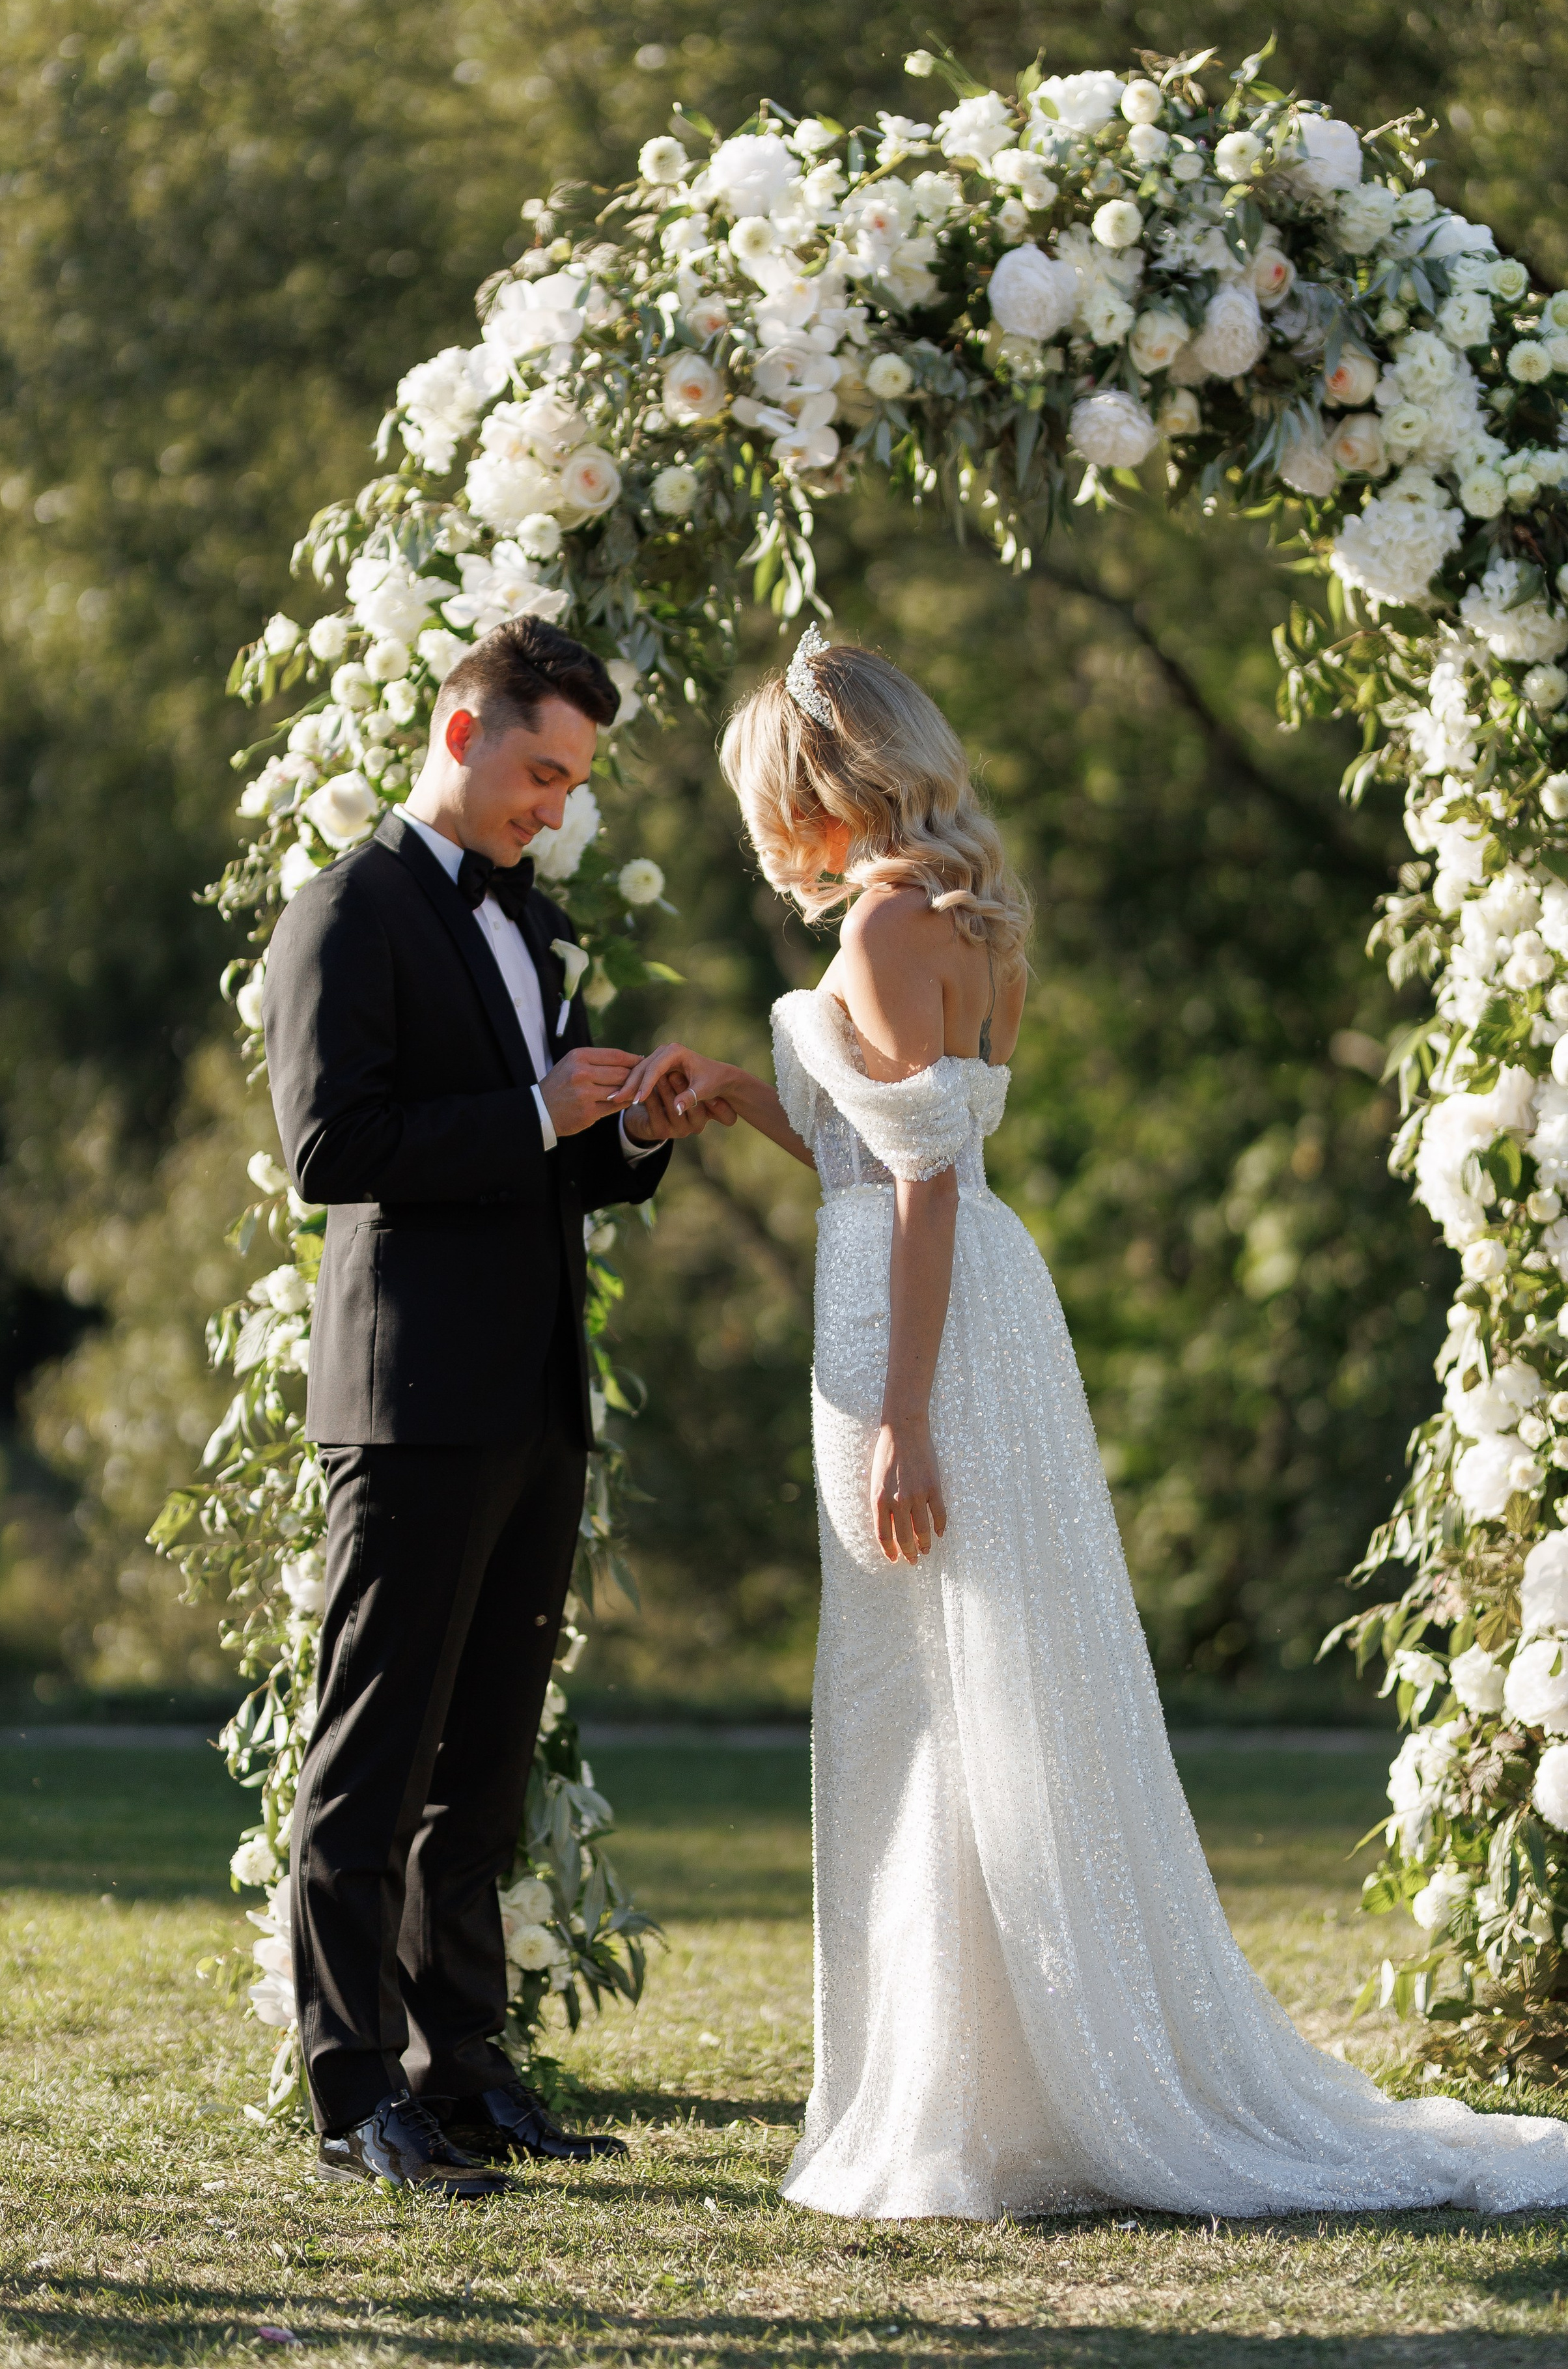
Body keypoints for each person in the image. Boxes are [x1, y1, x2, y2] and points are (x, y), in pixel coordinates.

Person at [618, 624, 1568, 2221]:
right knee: (953, 1680)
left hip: (917, 1331)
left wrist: (902, 1418)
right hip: (966, 1298)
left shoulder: (884, 925)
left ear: (820, 786)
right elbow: (888, 1153)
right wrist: (740, 1095)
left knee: (943, 1687)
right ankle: (990, 2084)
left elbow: (922, 1182)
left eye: (763, 797)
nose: (759, 831)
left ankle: (982, 2100)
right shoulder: (961, 915)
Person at [262, 615, 705, 2202]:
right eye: (541, 770)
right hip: (406, 1401)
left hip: (530, 1397)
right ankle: (350, 2096)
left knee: (483, 1768)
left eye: (574, 782)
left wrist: (629, 1129)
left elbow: (558, 1167)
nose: (555, 805)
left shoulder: (534, 922)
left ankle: (459, 2070)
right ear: (462, 730)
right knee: (371, 1761)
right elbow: (332, 1151)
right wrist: (529, 1109)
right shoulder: (347, 911)